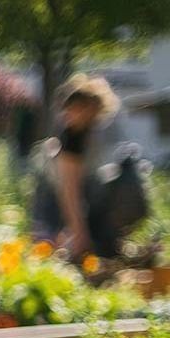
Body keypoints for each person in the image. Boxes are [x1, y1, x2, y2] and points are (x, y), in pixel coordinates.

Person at [30, 74, 121, 260]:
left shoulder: (85, 132)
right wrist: (79, 231)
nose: (69, 115)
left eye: (75, 110)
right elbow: (69, 189)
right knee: (56, 245)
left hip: (72, 194)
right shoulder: (71, 136)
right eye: (70, 109)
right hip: (55, 196)